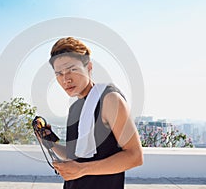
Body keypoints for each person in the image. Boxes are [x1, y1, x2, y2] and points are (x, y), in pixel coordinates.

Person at [40, 37, 143, 189]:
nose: (65, 79)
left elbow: (134, 156)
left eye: (72, 69)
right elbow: (75, 155)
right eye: (59, 73)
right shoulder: (75, 108)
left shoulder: (110, 99)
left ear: (88, 67)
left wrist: (81, 170)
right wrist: (48, 142)